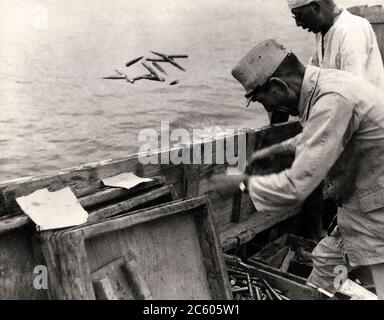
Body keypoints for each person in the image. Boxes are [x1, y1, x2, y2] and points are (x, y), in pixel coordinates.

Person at [210, 39, 384, 298]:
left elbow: (296, 187)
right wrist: (269, 151)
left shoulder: (332, 101)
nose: (270, 110)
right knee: (325, 265)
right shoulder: (326, 84)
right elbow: (316, 135)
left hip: (375, 212)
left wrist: (242, 183)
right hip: (359, 205)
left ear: (279, 85)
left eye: (265, 102)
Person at [288, 0, 384, 90]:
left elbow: (352, 91)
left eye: (299, 15)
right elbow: (315, 74)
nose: (298, 23)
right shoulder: (322, 31)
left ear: (315, 7)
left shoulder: (352, 30)